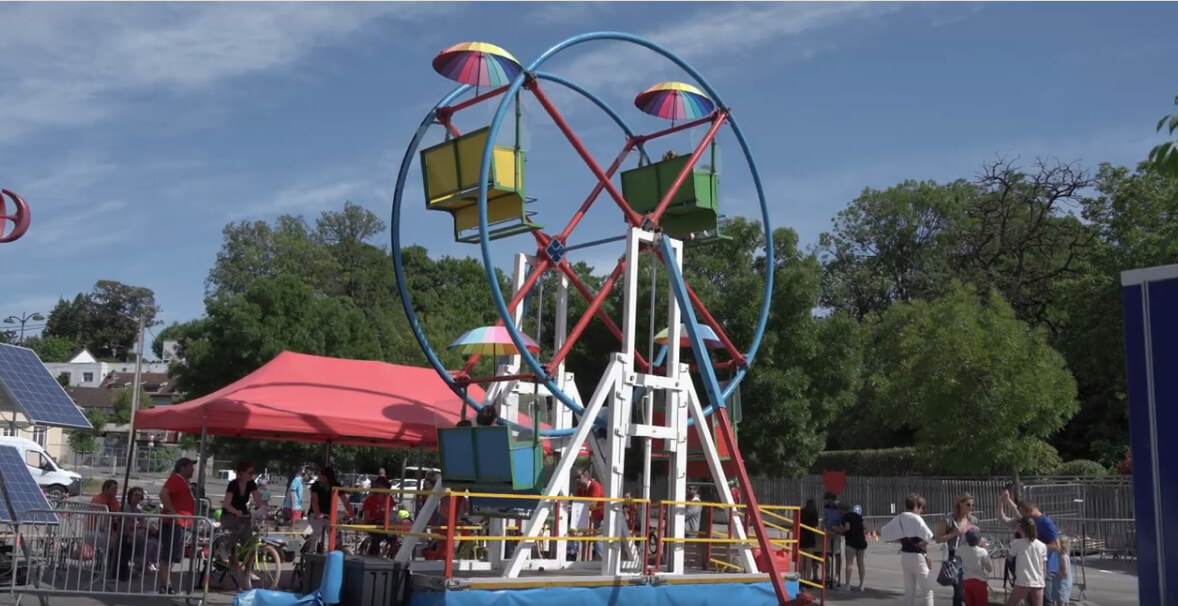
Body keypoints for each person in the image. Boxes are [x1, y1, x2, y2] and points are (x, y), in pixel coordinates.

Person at [880, 493, 934, 606]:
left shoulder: (898, 518)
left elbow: (884, 533)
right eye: (921, 508)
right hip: (918, 556)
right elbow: (929, 535)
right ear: (916, 507)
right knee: (927, 591)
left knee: (909, 591)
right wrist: (923, 544)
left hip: (905, 556)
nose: (922, 511)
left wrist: (900, 539)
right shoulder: (917, 519)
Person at [157, 457, 196, 595]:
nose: (193, 469)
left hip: (181, 522)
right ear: (183, 467)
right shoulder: (175, 479)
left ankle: (167, 583)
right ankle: (165, 585)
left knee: (174, 554)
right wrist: (174, 513)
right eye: (191, 467)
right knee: (168, 554)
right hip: (172, 523)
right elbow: (163, 494)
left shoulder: (183, 482)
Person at [936, 493, 979, 606]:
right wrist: (954, 534)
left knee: (969, 588)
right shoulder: (949, 520)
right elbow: (938, 538)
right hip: (955, 558)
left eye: (972, 505)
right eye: (968, 505)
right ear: (960, 504)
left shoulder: (973, 520)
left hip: (970, 557)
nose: (971, 508)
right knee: (959, 590)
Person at [221, 461, 266, 552]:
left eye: (253, 473)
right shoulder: (233, 484)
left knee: (248, 537)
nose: (252, 475)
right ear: (242, 473)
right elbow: (226, 504)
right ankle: (227, 555)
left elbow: (258, 500)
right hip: (230, 514)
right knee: (231, 537)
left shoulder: (251, 484)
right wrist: (235, 511)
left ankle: (246, 559)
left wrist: (265, 510)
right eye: (250, 473)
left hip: (243, 513)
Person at [306, 465, 350, 554]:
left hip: (329, 515)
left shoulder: (336, 486)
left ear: (329, 479)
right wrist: (318, 514)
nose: (321, 480)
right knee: (317, 530)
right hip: (315, 514)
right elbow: (315, 501)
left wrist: (350, 513)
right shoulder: (316, 485)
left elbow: (345, 501)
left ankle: (337, 549)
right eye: (320, 477)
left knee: (334, 532)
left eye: (323, 478)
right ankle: (311, 551)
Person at [1007, 517, 1048, 606]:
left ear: (1020, 528)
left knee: (1011, 604)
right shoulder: (1042, 545)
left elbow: (1009, 558)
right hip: (1038, 581)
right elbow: (1044, 566)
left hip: (1023, 581)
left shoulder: (1016, 543)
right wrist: (1042, 580)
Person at [573, 468, 605, 559]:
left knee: (598, 541)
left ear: (585, 476)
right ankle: (601, 562)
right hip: (596, 517)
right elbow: (578, 503)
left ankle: (604, 562)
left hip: (604, 517)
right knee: (597, 541)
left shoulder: (595, 486)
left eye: (578, 477)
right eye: (576, 478)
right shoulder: (581, 489)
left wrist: (577, 507)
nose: (577, 480)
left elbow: (592, 504)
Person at [959, 529, 992, 606]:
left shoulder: (961, 550)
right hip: (979, 581)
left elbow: (960, 547)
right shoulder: (982, 552)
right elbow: (989, 569)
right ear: (978, 540)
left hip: (966, 581)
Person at [362, 476, 393, 556]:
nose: (382, 488)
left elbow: (392, 514)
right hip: (373, 524)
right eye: (380, 485)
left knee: (393, 536)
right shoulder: (369, 500)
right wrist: (378, 520)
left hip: (386, 524)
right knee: (377, 535)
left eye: (383, 486)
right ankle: (373, 553)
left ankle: (393, 554)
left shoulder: (389, 499)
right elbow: (367, 518)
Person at [840, 503, 868, 591]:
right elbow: (865, 527)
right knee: (861, 563)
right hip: (861, 541)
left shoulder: (845, 517)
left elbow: (847, 528)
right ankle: (861, 584)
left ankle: (847, 585)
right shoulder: (858, 516)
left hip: (851, 542)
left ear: (842, 510)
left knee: (849, 564)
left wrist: (839, 529)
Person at [822, 492, 844, 588]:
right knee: (826, 554)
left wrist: (839, 528)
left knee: (837, 555)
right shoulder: (826, 507)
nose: (826, 501)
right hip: (828, 531)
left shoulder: (839, 507)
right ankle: (827, 574)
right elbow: (825, 518)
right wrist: (823, 524)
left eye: (827, 499)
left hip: (837, 533)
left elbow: (843, 519)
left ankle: (837, 575)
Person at [799, 499, 821, 584]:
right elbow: (815, 524)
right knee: (809, 560)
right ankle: (808, 579)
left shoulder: (802, 511)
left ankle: (800, 577)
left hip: (801, 536)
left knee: (801, 560)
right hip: (810, 536)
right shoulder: (814, 512)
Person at [1048, 536, 1073, 606]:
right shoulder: (1063, 556)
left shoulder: (1063, 558)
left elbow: (1064, 573)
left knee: (1061, 601)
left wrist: (1053, 571)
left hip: (1061, 584)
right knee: (1065, 600)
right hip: (1063, 583)